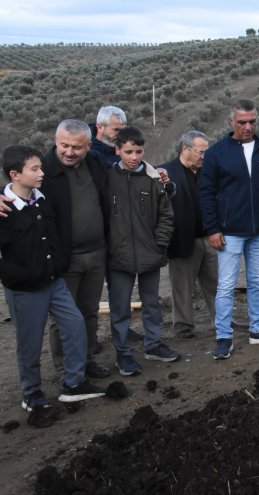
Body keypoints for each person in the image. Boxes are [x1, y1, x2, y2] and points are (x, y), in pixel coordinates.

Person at [0, 145, 106, 415]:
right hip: (25, 289)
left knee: (74, 324)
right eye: (34, 169)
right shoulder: (5, 210)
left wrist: (58, 263)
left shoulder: (41, 198)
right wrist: (17, 276)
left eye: (41, 167)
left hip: (54, 280)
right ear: (15, 174)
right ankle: (31, 393)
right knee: (29, 342)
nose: (41, 173)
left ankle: (73, 383)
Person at [200, 98, 259, 360]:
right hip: (229, 232)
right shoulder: (217, 153)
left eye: (252, 121)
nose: (248, 127)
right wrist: (212, 229)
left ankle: (258, 329)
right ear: (231, 122)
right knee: (227, 285)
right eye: (242, 122)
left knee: (256, 281)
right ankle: (223, 336)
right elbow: (206, 194)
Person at [104, 128, 179, 376]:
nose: (134, 156)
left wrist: (160, 244)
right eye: (128, 152)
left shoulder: (154, 179)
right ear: (117, 151)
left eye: (138, 151)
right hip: (119, 256)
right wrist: (110, 247)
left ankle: (154, 344)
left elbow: (166, 215)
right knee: (120, 307)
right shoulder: (107, 179)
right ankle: (123, 354)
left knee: (151, 303)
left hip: (150, 253)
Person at [40, 120, 111, 379]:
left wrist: (159, 173)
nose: (70, 152)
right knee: (62, 317)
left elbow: (124, 171)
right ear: (55, 140)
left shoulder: (96, 163)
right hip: (64, 258)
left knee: (89, 311)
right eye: (65, 145)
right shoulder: (43, 168)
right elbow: (15, 185)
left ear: (88, 146)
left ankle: (87, 358)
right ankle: (64, 366)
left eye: (77, 147)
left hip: (96, 253)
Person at [163, 131, 217, 339]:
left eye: (206, 152)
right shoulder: (167, 173)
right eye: (200, 152)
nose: (204, 156)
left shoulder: (207, 172)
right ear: (185, 149)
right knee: (182, 287)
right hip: (182, 241)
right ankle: (184, 327)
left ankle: (221, 319)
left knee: (216, 283)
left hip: (210, 237)